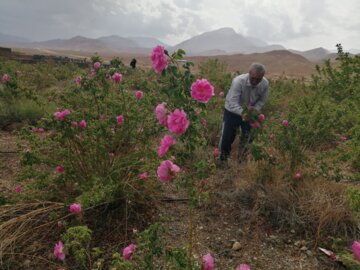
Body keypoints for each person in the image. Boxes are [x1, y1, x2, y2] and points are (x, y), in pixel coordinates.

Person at [219, 63, 269, 162]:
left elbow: (262, 100)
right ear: (249, 73)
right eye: (253, 78)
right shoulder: (238, 81)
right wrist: (243, 112)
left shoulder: (265, 84)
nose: (255, 81)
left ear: (262, 77)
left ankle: (242, 161)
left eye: (258, 79)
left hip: (250, 112)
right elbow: (232, 102)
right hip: (232, 111)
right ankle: (223, 160)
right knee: (227, 137)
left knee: (247, 137)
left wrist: (255, 109)